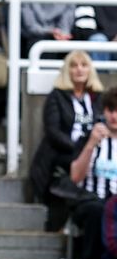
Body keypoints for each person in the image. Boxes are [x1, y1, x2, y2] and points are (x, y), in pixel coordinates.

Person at [29, 50, 103, 230]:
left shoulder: (96, 98)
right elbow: (53, 131)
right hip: (62, 156)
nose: (79, 70)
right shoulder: (57, 96)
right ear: (67, 71)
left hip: (92, 153)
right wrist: (79, 150)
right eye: (74, 65)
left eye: (84, 65)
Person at [66, 86, 117, 259]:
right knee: (98, 210)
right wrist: (91, 144)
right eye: (110, 109)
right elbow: (75, 177)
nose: (114, 115)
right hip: (91, 200)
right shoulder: (90, 137)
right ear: (103, 111)